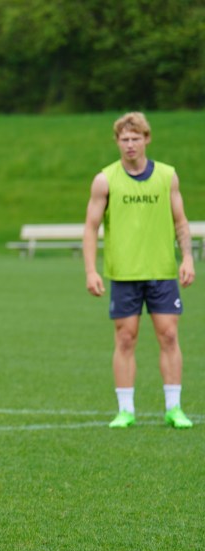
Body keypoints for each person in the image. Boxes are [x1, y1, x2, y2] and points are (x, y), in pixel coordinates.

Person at [82, 111, 195, 430]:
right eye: (124, 139)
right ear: (117, 142)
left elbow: (180, 221)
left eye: (136, 138)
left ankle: (174, 408)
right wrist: (91, 270)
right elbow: (91, 228)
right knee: (126, 339)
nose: (130, 144)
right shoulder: (105, 179)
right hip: (124, 273)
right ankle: (125, 409)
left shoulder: (167, 176)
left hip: (162, 270)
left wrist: (187, 258)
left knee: (169, 336)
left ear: (147, 139)